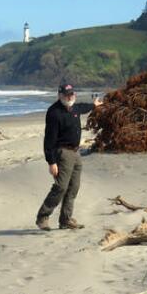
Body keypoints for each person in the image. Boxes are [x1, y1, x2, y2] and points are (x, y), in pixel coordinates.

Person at [36, 83, 103, 231]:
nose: (70, 96)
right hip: (62, 153)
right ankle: (43, 217)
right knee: (61, 187)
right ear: (59, 95)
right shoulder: (54, 112)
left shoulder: (75, 108)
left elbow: (84, 107)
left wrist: (94, 105)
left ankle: (65, 220)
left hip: (76, 152)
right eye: (66, 94)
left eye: (72, 94)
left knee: (74, 187)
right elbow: (49, 140)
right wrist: (51, 162)